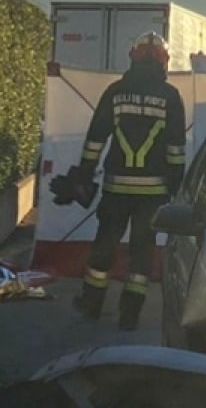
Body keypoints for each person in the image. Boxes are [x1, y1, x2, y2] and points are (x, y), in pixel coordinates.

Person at [68, 32, 187, 330]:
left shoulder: (115, 91)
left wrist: (84, 174)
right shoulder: (171, 97)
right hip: (154, 191)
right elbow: (176, 148)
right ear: (163, 61)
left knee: (104, 244)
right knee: (142, 251)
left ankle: (92, 303)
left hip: (115, 188)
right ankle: (130, 314)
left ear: (133, 56)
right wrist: (176, 187)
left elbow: (95, 137)